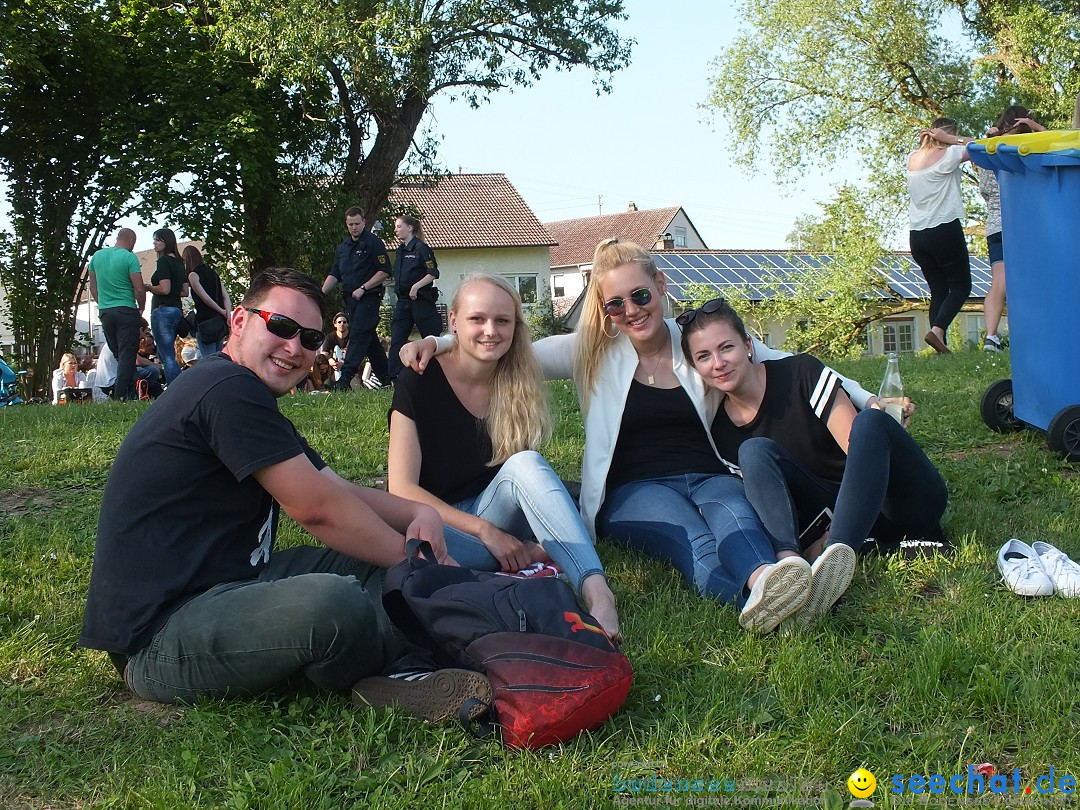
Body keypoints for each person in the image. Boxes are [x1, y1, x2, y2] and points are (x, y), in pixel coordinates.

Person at [80, 268, 490, 719]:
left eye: (311, 339)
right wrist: (414, 563)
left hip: (235, 585)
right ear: (239, 321)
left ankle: (403, 668)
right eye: (280, 326)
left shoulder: (244, 395)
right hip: (160, 635)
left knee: (368, 565)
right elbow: (317, 511)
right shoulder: (225, 389)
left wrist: (416, 513)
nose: (295, 348)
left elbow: (335, 488)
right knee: (337, 602)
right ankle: (396, 668)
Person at [403, 241, 876, 632]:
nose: (630, 310)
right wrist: (438, 342)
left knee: (735, 515)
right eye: (615, 304)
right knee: (691, 537)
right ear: (606, 311)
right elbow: (506, 342)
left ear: (661, 287)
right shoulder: (592, 351)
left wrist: (865, 397)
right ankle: (762, 609)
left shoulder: (696, 340)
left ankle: (771, 581)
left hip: (709, 473)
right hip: (634, 490)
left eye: (640, 296)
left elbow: (777, 358)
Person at [680, 298, 950, 626]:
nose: (718, 363)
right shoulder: (722, 433)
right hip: (833, 519)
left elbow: (859, 452)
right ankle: (790, 572)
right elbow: (772, 505)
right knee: (753, 451)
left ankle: (837, 557)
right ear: (696, 369)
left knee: (870, 423)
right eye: (704, 357)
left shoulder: (800, 373)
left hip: (895, 498)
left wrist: (835, 534)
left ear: (748, 346)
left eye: (726, 348)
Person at [388, 273, 620, 638]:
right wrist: (486, 531)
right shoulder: (419, 377)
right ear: (453, 321)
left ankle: (598, 592)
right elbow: (401, 489)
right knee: (559, 508)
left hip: (496, 512)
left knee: (528, 464)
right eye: (477, 319)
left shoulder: (517, 375)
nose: (490, 331)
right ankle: (536, 551)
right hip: (447, 531)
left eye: (502, 320)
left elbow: (592, 346)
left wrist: (496, 528)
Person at [978, 106, 1045, 351]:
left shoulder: (988, 151)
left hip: (995, 225)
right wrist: (1035, 129)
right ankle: (1029, 333)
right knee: (1029, 281)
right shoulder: (1028, 147)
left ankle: (992, 335)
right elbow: (1058, 147)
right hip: (1024, 225)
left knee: (999, 281)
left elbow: (984, 189)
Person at [907, 118, 974, 353]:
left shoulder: (912, 158)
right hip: (943, 228)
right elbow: (982, 147)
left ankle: (939, 346)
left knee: (938, 289)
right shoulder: (951, 153)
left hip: (917, 235)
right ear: (946, 136)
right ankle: (937, 331)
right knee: (961, 286)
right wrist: (952, 141)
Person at [321, 208, 392, 391]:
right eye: (350, 224)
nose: (354, 227)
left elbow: (384, 270)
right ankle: (387, 379)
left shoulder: (373, 243)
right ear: (347, 224)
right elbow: (334, 274)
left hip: (368, 297)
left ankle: (344, 379)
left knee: (359, 334)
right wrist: (319, 295)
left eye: (357, 224)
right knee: (369, 340)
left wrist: (363, 288)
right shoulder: (343, 248)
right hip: (350, 301)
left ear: (364, 222)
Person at [88, 228, 145, 400]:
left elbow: (93, 287)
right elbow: (139, 288)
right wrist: (140, 308)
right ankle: (121, 396)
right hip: (126, 309)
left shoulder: (97, 257)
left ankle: (133, 390)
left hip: (106, 312)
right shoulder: (129, 257)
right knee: (127, 354)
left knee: (119, 354)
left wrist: (103, 304)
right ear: (132, 240)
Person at [387, 215, 442, 383]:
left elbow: (433, 273)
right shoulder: (400, 250)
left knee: (430, 337)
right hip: (403, 302)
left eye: (398, 226)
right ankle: (394, 377)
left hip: (420, 299)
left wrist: (416, 286)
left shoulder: (421, 248)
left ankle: (437, 374)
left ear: (409, 228)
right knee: (397, 338)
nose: (395, 230)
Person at [146, 228, 189, 384]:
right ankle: (178, 387)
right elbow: (184, 292)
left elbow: (165, 288)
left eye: (158, 240)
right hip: (176, 310)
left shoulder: (163, 261)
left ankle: (175, 390)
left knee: (167, 356)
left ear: (166, 241)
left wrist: (149, 288)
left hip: (162, 310)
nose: (154, 243)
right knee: (171, 353)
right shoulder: (179, 263)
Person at [183, 245, 231, 358]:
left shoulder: (193, 275)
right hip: (220, 322)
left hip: (205, 321)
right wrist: (226, 313)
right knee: (219, 356)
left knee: (209, 358)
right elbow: (225, 296)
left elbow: (205, 298)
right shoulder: (213, 273)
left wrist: (221, 310)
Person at [322, 312, 350, 381]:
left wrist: (343, 363)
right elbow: (323, 355)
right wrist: (329, 361)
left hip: (349, 367)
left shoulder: (352, 337)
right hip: (332, 367)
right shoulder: (330, 337)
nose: (342, 324)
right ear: (335, 324)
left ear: (347, 324)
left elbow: (357, 356)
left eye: (344, 322)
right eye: (339, 322)